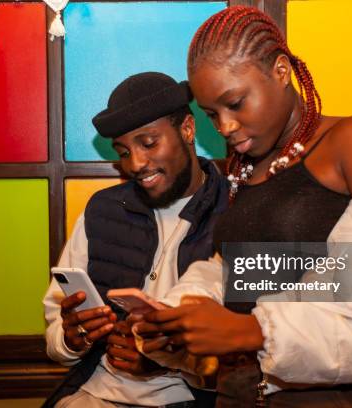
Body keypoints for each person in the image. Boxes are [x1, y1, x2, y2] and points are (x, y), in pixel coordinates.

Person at [133, 6, 352, 407]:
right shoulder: (244, 167)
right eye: (211, 114)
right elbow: (238, 276)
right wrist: (177, 316)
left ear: (280, 70)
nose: (224, 127)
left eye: (236, 103)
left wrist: (255, 332)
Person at [41, 72, 228, 408]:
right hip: (91, 395)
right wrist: (72, 339)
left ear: (187, 129)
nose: (136, 163)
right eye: (124, 151)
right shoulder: (102, 210)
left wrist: (171, 362)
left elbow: (260, 351)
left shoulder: (236, 213)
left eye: (149, 142)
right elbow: (55, 338)